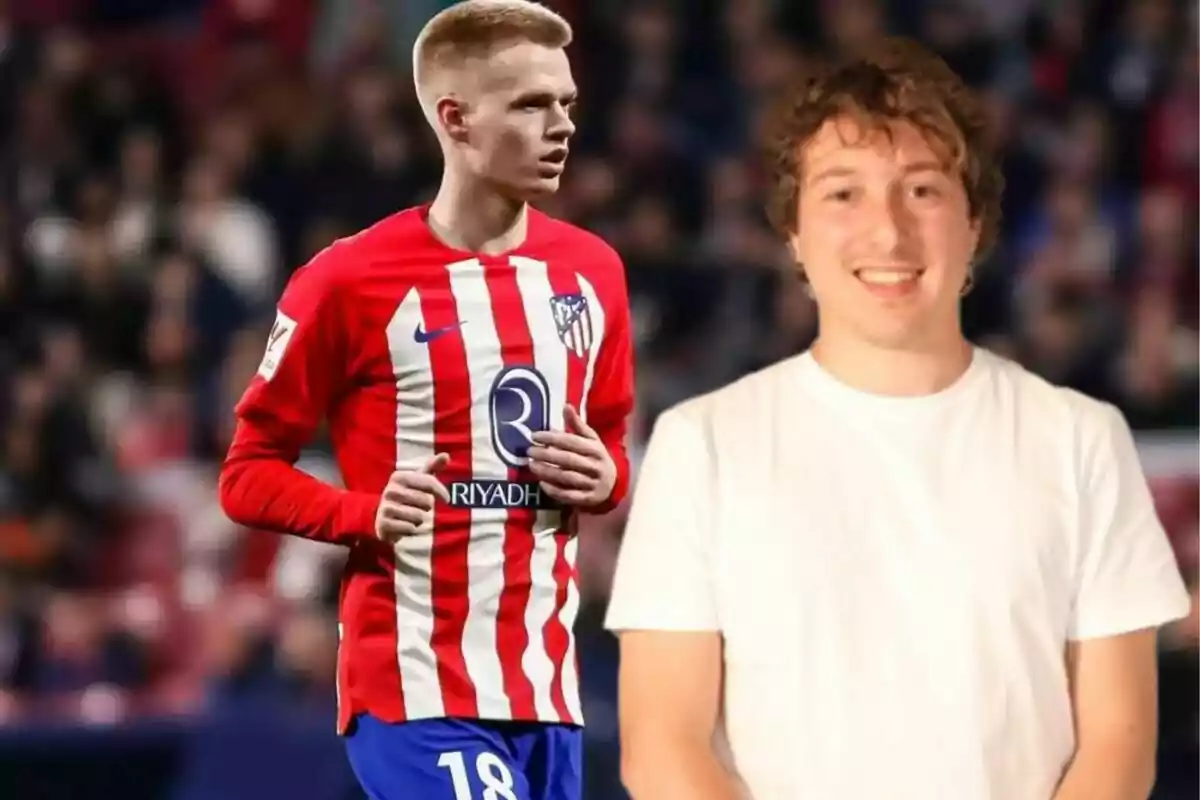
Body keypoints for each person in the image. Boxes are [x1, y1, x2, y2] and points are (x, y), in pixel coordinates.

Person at [605, 38, 1191, 800]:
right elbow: (663, 747)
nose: (887, 232)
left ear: (974, 224)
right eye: (843, 193)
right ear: (794, 233)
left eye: (922, 190)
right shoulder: (702, 446)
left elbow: (1118, 742)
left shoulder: (1080, 439)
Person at [218, 2, 635, 798]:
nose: (562, 126)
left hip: (547, 691)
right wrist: (362, 512)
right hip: (416, 685)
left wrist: (604, 477)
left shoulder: (593, 274)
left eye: (567, 104)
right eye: (531, 104)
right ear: (456, 118)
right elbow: (245, 473)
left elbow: (609, 449)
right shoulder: (348, 279)